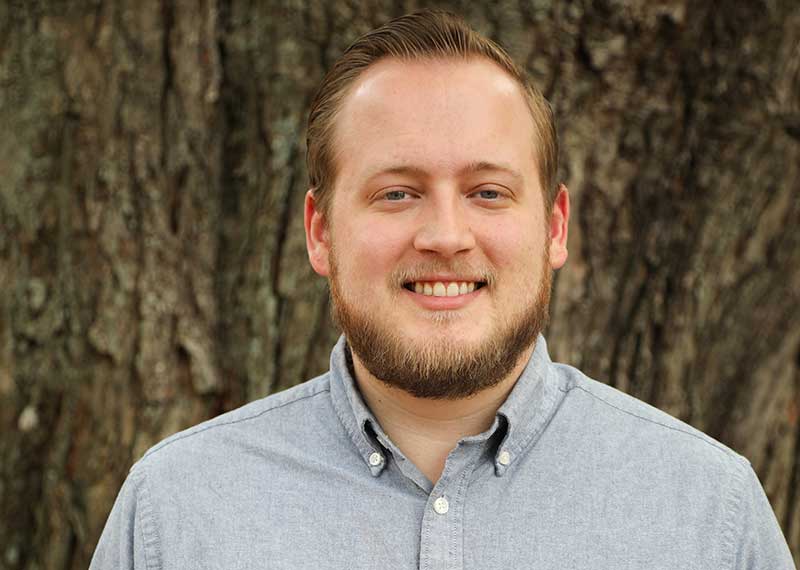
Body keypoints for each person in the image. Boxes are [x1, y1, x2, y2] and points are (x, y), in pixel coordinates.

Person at [90, 10, 795, 569]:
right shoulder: (176, 512)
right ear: (320, 232)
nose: (446, 236)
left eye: (488, 192)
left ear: (555, 227)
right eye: (397, 193)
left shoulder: (709, 513)